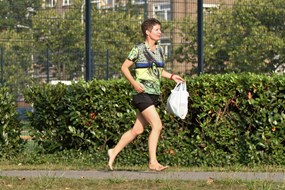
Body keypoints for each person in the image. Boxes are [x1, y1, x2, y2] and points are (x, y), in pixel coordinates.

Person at [108, 18, 184, 171]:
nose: (160, 32)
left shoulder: (160, 50)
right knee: (157, 125)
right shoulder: (138, 49)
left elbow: (158, 71)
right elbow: (124, 67)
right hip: (141, 94)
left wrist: (171, 76)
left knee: (137, 130)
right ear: (148, 32)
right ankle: (153, 162)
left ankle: (113, 151)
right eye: (157, 30)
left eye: (160, 29)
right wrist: (134, 83)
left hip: (153, 95)